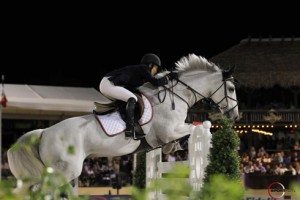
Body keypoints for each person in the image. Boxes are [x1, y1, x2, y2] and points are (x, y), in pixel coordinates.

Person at [99, 53, 168, 139]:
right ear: (150, 65)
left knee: (129, 99)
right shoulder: (144, 68)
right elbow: (156, 82)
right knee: (132, 98)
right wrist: (167, 78)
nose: (156, 72)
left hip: (107, 84)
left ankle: (127, 124)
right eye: (156, 68)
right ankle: (129, 129)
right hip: (108, 83)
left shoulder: (139, 74)